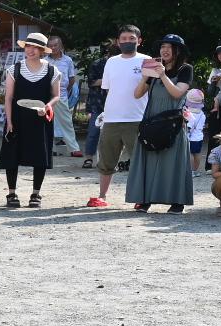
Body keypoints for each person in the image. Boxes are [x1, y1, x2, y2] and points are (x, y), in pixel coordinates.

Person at [125, 36, 195, 213]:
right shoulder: (154, 69)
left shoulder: (186, 69)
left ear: (178, 51)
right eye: (163, 46)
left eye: (169, 47)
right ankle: (145, 199)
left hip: (172, 122)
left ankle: (177, 202)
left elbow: (177, 93)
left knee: (173, 161)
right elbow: (137, 94)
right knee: (148, 158)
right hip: (152, 120)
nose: (165, 50)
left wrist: (162, 75)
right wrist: (145, 77)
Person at [89, 28, 152, 205]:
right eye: (123, 38)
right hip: (111, 118)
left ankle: (141, 197)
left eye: (131, 38)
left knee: (139, 161)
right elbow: (108, 88)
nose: (127, 41)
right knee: (106, 160)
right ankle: (102, 196)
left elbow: (151, 87)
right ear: (117, 42)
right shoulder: (111, 62)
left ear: (139, 40)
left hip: (137, 118)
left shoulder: (147, 60)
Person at [0, 32, 61, 208]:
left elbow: (56, 96)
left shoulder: (52, 70)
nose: (31, 50)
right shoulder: (15, 69)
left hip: (41, 119)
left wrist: (47, 107)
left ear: (42, 50)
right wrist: (9, 121)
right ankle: (11, 193)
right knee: (12, 154)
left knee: (40, 155)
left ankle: (36, 194)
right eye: (28, 46)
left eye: (35, 47)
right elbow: (8, 97)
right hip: (17, 118)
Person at [51, 40, 81, 156]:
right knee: (46, 122)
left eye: (55, 45)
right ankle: (49, 148)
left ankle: (74, 149)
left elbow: (72, 79)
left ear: (61, 46)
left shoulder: (67, 60)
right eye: (50, 46)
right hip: (46, 96)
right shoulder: (44, 60)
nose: (53, 48)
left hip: (61, 95)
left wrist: (65, 90)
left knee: (67, 122)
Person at [185, 87, 208, 175]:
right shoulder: (202, 113)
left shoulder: (188, 113)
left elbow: (188, 127)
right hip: (199, 137)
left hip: (190, 138)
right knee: (197, 154)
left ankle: (190, 171)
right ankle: (195, 170)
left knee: (189, 154)